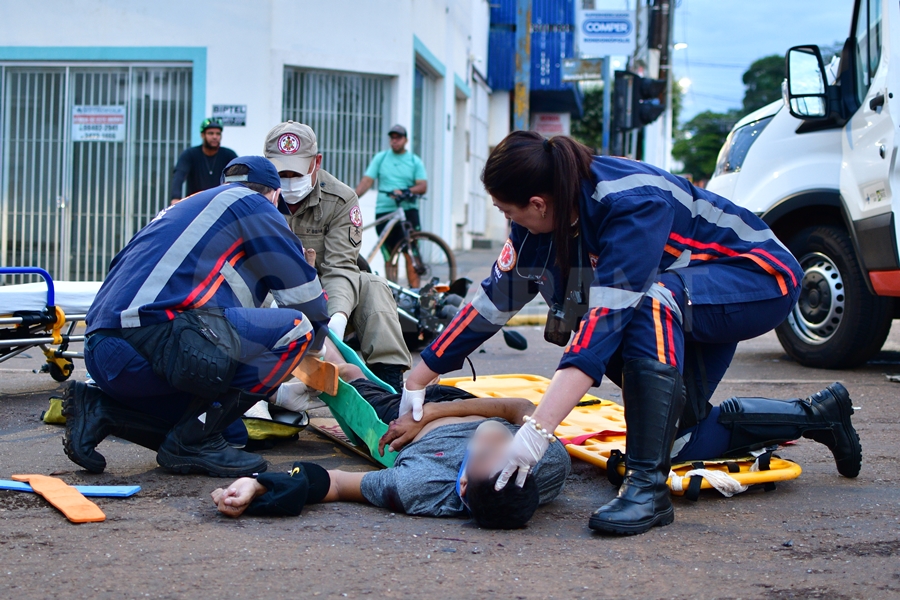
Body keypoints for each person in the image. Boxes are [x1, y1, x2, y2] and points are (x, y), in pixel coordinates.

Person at [400, 131, 862, 536]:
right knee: (678, 435)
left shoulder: (630, 203)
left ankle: (646, 488)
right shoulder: (542, 221)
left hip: (758, 277)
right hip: (690, 296)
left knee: (649, 303)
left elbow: (606, 321)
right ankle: (821, 415)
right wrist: (419, 376)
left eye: (509, 212)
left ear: (538, 204)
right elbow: (496, 296)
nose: (509, 222)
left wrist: (538, 431)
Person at [64, 156, 330, 478]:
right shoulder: (254, 204)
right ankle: (190, 442)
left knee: (231, 435)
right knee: (297, 330)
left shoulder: (189, 209)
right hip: (147, 342)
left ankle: (100, 411)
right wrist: (316, 348)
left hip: (103, 353)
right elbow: (306, 302)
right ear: (273, 195)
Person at [210, 345, 571, 529]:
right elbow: (518, 408)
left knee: (346, 373)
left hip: (402, 422)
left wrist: (259, 486)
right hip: (450, 406)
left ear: (462, 486)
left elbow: (334, 484)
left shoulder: (415, 485)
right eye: (508, 446)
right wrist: (435, 410)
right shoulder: (546, 461)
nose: (498, 440)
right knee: (410, 378)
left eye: (486, 452)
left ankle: (308, 334)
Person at [263, 121, 411, 393]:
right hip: (270, 297)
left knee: (374, 286)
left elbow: (340, 267)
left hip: (326, 295)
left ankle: (387, 384)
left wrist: (337, 317)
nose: (288, 179)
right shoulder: (255, 196)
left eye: (295, 172)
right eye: (279, 172)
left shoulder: (340, 199)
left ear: (316, 162)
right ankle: (263, 388)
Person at [354, 124, 428, 287]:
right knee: (389, 255)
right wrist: (352, 197)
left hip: (408, 210)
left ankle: (415, 292)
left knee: (411, 253)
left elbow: (422, 185)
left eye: (398, 138)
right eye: (392, 138)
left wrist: (406, 191)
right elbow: (367, 180)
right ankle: (392, 292)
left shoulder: (414, 161)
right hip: (385, 211)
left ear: (406, 140)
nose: (395, 141)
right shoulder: (381, 158)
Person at [170, 118, 238, 204]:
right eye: (210, 133)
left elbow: (239, 176)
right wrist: (175, 197)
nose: (214, 137)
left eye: (218, 134)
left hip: (221, 203)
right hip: (196, 203)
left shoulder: (229, 155)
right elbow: (179, 175)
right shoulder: (190, 154)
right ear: (202, 135)